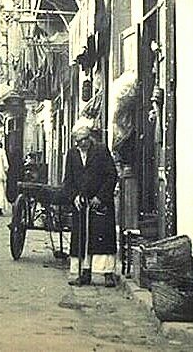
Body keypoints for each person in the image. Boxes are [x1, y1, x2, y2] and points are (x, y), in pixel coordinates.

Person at [63, 120, 119, 288]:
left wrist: (100, 197)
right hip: (81, 203)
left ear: (90, 138)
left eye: (86, 139)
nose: (83, 143)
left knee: (103, 237)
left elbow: (111, 175)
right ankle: (84, 273)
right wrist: (74, 197)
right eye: (80, 140)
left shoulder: (101, 151)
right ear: (75, 141)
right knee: (82, 238)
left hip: (100, 203)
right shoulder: (72, 154)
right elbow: (69, 179)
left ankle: (107, 273)